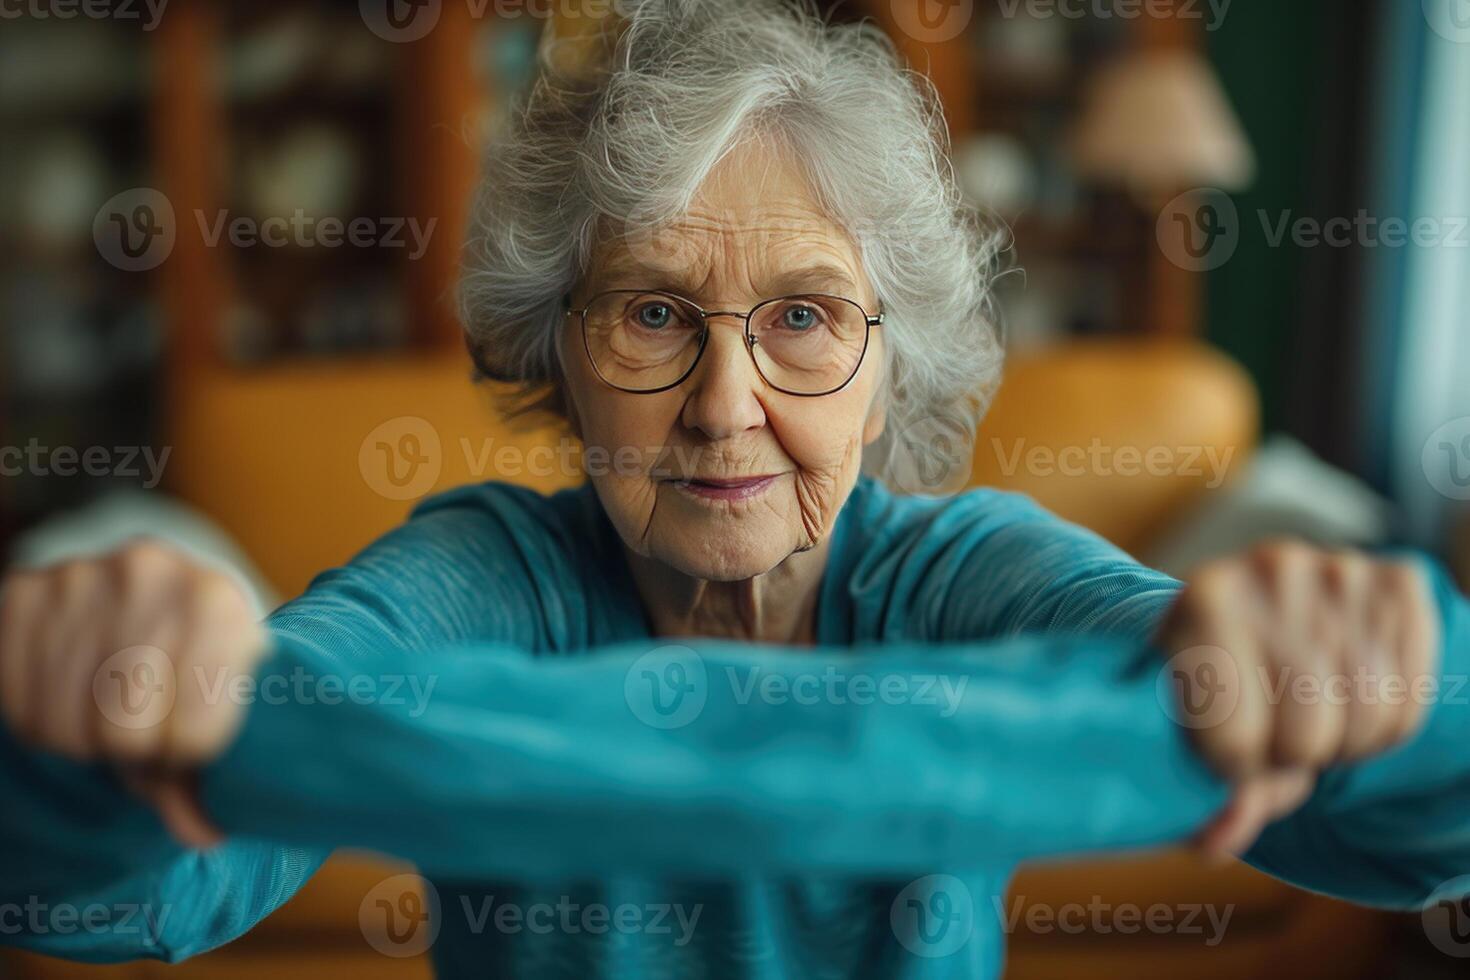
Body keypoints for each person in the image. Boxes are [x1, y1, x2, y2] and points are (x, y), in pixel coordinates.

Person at [2, 1, 1467, 976]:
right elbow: (127, 894)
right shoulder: (485, 573)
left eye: (806, 317)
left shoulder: (962, 576)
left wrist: (1342, 655)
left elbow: (1409, 826)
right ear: (558, 355)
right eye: (649, 314)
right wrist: (126, 699)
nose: (721, 405)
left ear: (891, 364)